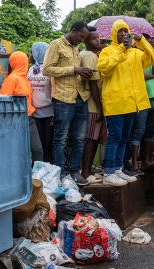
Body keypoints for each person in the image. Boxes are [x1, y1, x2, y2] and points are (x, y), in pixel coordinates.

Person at [97, 19, 154, 186]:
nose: (123, 34)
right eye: (120, 31)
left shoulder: (136, 52)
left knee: (124, 138)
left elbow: (150, 58)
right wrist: (122, 49)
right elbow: (104, 69)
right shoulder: (107, 51)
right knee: (114, 137)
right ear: (114, 33)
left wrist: (142, 41)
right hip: (115, 101)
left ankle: (118, 168)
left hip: (132, 102)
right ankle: (109, 171)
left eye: (126, 31)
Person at [43, 21, 93, 185]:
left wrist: (84, 73)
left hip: (80, 98)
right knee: (61, 139)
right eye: (81, 36)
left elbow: (75, 73)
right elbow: (47, 70)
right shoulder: (56, 45)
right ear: (73, 31)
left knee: (79, 139)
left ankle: (74, 172)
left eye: (85, 37)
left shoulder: (76, 50)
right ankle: (61, 174)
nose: (82, 39)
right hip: (63, 99)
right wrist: (74, 69)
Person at [124, 33, 154, 173]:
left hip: (153, 98)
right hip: (140, 98)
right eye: (146, 40)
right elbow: (139, 74)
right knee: (138, 131)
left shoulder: (149, 57)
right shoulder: (134, 54)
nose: (148, 42)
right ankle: (134, 163)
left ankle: (146, 161)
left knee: (150, 132)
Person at [0, 51, 43, 163]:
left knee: (37, 150)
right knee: (20, 151)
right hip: (16, 120)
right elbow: (2, 100)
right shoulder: (12, 79)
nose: (27, 62)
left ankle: (37, 178)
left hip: (29, 118)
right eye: (24, 60)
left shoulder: (24, 78)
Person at [79, 26, 104, 183]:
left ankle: (87, 169)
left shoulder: (90, 54)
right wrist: (99, 106)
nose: (98, 40)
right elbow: (93, 83)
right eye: (94, 38)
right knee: (91, 139)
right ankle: (86, 172)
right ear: (86, 40)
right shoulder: (88, 55)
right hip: (92, 104)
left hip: (91, 103)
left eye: (98, 38)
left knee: (93, 138)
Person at [28, 42, 54, 163]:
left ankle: (47, 168)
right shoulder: (30, 70)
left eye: (32, 52)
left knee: (48, 142)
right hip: (34, 113)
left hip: (49, 112)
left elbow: (55, 91)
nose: (30, 55)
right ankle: (38, 168)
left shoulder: (50, 70)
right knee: (37, 145)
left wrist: (56, 113)